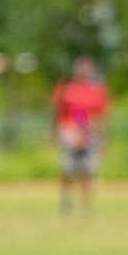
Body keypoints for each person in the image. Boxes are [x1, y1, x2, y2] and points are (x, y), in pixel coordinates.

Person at [52, 56, 110, 215]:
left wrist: (103, 139)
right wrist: (56, 134)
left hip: (89, 136)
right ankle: (66, 202)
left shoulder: (97, 90)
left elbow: (102, 116)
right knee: (67, 170)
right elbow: (56, 111)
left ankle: (86, 207)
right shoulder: (66, 88)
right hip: (69, 134)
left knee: (88, 172)